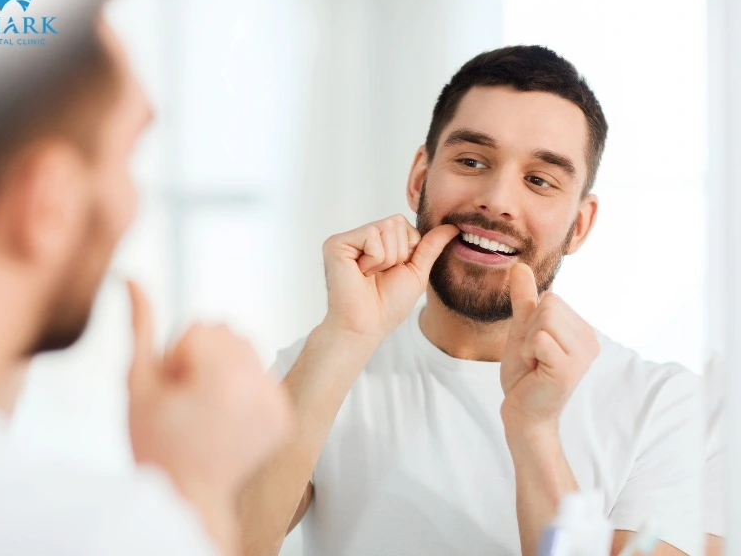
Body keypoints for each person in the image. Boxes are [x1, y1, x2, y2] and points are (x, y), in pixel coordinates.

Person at [239, 46, 711, 556]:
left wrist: (536, 434)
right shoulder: (316, 369)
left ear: (579, 225)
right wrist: (346, 337)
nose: (498, 201)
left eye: (539, 180)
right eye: (470, 161)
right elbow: (228, 543)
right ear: (420, 177)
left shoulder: (664, 406)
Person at [0, 0, 292, 555]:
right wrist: (197, 497)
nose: (132, 205)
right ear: (48, 204)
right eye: (128, 153)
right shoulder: (93, 535)